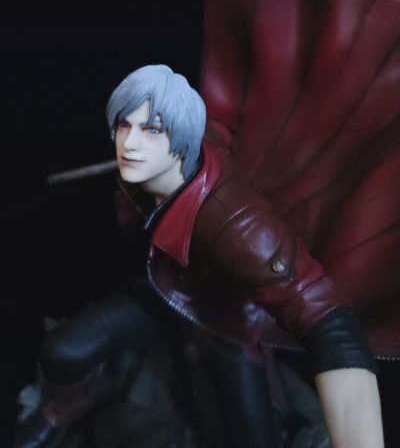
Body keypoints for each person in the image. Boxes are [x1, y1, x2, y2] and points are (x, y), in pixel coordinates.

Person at [15, 65, 384, 448]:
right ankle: (69, 407)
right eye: (124, 126)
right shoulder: (146, 166)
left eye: (151, 130)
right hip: (172, 292)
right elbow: (223, 133)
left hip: (228, 319)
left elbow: (330, 324)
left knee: (251, 438)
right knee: (62, 354)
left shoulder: (237, 225)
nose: (130, 143)